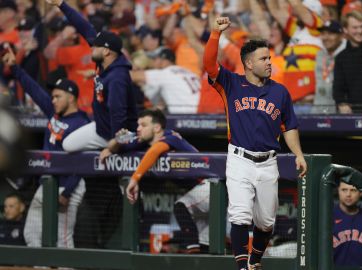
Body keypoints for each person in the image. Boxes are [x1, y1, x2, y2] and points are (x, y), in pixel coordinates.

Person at [203, 17, 307, 270]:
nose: (269, 62)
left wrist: (299, 154)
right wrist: (215, 33)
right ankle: (242, 267)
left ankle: (254, 262)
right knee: (240, 215)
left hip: (268, 162)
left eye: (269, 58)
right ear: (249, 63)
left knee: (266, 222)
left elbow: (289, 127)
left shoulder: (280, 92)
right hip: (239, 158)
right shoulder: (231, 83)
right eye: (263, 59)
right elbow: (209, 64)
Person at [1, 45, 89, 248]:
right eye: (53, 96)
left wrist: (67, 193)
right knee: (31, 233)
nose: (53, 100)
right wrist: (15, 68)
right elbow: (35, 89)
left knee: (62, 241)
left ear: (72, 97)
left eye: (58, 96)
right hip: (47, 182)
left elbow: (83, 162)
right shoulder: (53, 112)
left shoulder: (82, 124)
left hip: (68, 186)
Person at [100, 109, 209, 253]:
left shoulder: (171, 136)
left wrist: (135, 179)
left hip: (211, 186)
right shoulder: (145, 142)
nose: (138, 128)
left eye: (143, 125)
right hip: (198, 195)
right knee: (203, 245)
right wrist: (116, 142)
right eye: (138, 125)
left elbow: (155, 151)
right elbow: (115, 147)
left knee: (181, 208)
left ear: (157, 128)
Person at [46, 0, 138, 152]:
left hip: (121, 133)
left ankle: (123, 159)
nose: (92, 48)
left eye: (96, 46)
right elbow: (84, 27)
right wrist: (61, 4)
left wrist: (115, 144)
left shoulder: (117, 77)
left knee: (113, 153)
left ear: (106, 51)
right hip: (102, 127)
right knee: (68, 145)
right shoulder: (106, 62)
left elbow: (118, 113)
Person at [130, 47, 201, 114]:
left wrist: (131, 67)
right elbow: (160, 105)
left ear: (162, 60)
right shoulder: (188, 72)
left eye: (154, 59)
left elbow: (133, 76)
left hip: (186, 117)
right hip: (204, 114)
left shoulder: (166, 73)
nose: (152, 62)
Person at [333, 181, 362, 267]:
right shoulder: (327, 217)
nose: (348, 194)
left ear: (360, 192)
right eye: (344, 190)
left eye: (353, 190)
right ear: (338, 191)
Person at [312, 20, 346, 114]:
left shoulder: (346, 55)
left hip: (339, 113)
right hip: (318, 111)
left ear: (341, 36)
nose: (326, 37)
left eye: (331, 34)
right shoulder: (320, 55)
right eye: (323, 33)